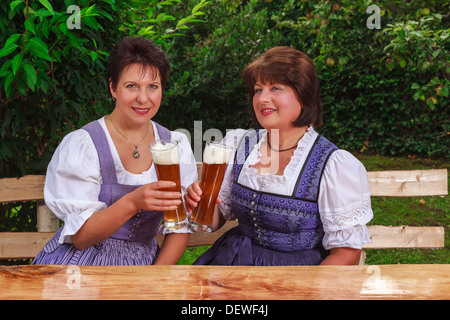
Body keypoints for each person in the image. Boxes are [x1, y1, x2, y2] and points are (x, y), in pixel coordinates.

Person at [185, 47, 373, 265]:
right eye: (257, 89)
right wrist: (199, 204)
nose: (263, 98)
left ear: (304, 95)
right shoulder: (238, 145)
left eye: (276, 88)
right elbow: (215, 219)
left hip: (298, 279)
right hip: (232, 263)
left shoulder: (333, 165)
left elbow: (346, 255)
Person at [32, 36, 197, 265]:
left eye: (153, 87)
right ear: (113, 87)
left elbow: (179, 228)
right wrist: (133, 202)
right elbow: (81, 238)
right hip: (85, 261)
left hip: (145, 264)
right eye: (132, 86)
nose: (143, 98)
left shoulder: (175, 145)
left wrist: (156, 279)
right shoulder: (85, 144)